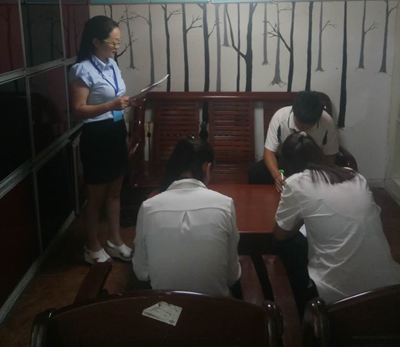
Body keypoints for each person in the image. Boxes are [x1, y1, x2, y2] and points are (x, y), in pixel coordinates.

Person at [274, 131, 400, 306]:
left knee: (287, 243)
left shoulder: (296, 183)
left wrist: (300, 219)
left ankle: (301, 308)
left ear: (288, 163)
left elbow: (280, 234)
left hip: (337, 295)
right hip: (388, 288)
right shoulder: (354, 175)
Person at [132, 137, 241, 297]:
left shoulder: (149, 208)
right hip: (215, 308)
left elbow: (141, 272)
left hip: (165, 308)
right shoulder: (225, 205)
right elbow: (232, 276)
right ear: (207, 168)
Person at [69, 15, 132, 264]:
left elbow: (115, 96)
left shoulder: (111, 64)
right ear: (96, 42)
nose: (116, 47)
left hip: (116, 131)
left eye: (118, 42)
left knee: (115, 191)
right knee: (96, 195)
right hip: (96, 136)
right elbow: (78, 110)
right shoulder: (82, 70)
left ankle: (115, 240)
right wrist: (110, 105)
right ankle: (92, 245)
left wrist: (122, 104)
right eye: (112, 42)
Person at [249, 91, 339, 191]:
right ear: (294, 111)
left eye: (309, 125)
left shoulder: (327, 121)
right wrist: (277, 176)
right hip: (285, 163)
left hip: (313, 164)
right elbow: (269, 152)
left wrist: (320, 176)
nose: (304, 128)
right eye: (301, 123)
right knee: (256, 172)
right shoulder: (280, 117)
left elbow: (330, 155)